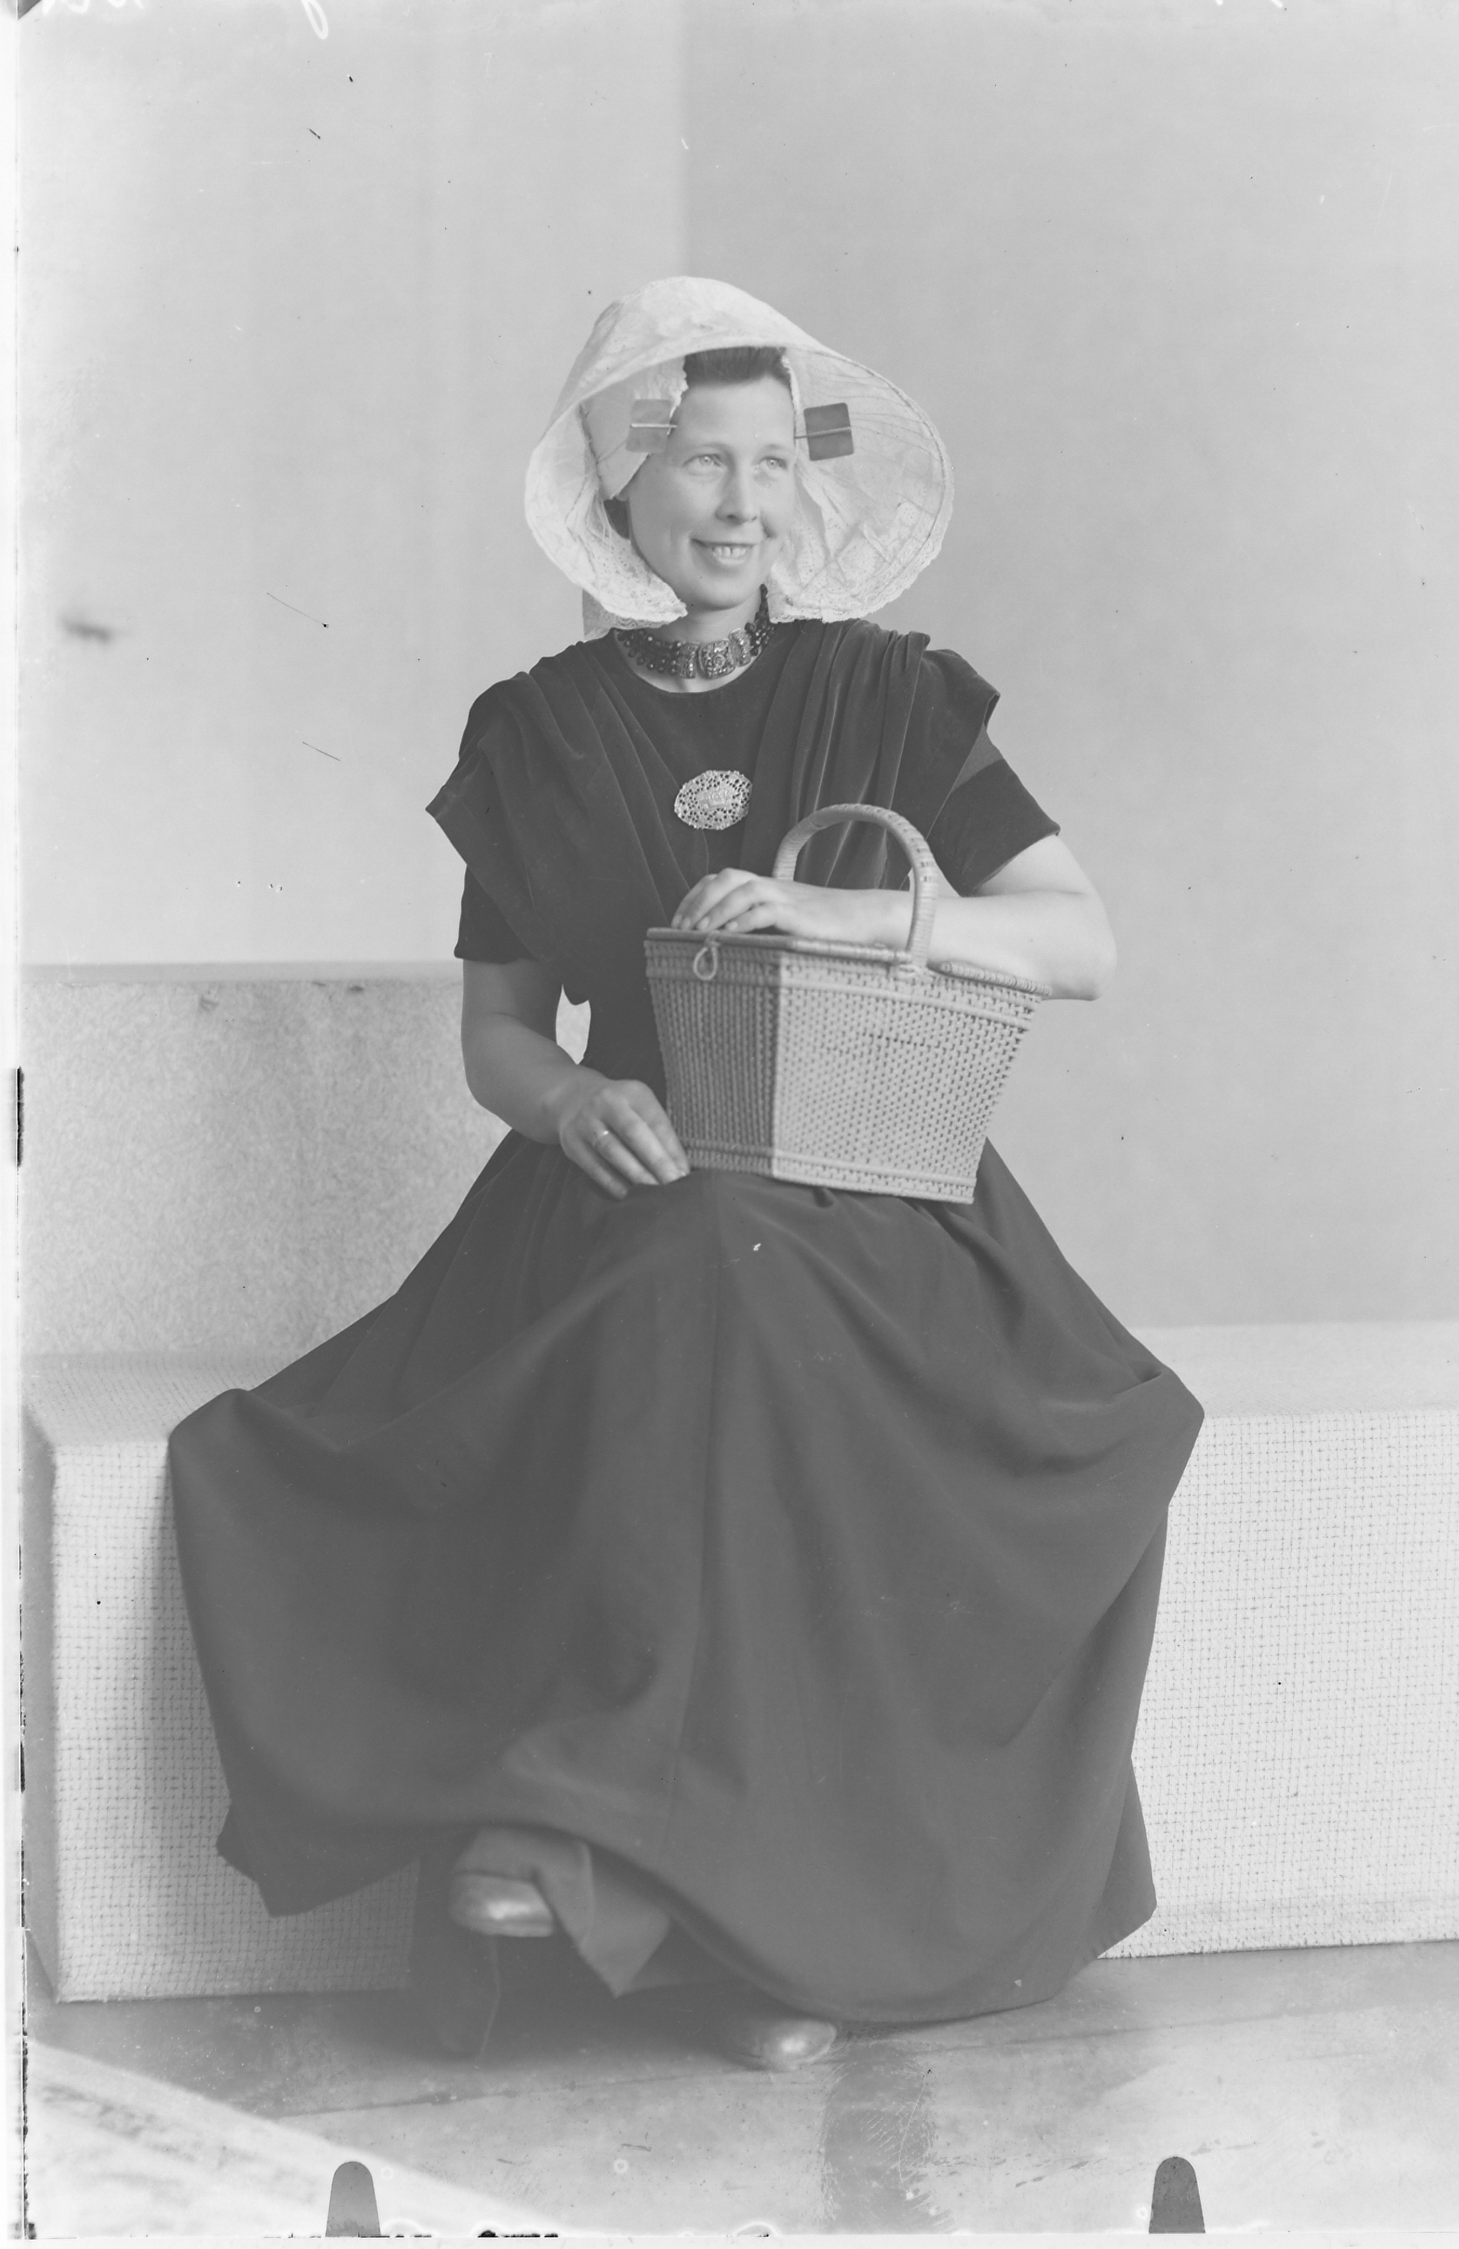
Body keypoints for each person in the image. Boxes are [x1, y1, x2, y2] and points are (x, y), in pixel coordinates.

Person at [169, 278, 1203, 2073]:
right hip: (626, 1175)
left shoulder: (888, 692)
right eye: (699, 463)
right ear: (620, 493)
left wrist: (836, 911)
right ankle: (705, 1912)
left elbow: (1080, 942)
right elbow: (501, 1034)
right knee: (681, 1280)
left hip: (876, 1183)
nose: (739, 504)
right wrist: (572, 1103)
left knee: (749, 1290)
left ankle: (652, 1885)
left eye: (770, 464)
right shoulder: (536, 730)